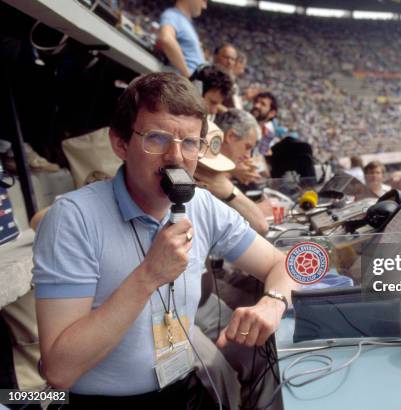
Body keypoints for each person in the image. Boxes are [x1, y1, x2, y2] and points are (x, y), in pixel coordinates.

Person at [32, 72, 294, 406]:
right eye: (156, 138)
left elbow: (282, 263)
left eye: (189, 143)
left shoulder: (201, 205)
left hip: (181, 386)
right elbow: (59, 370)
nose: (176, 157)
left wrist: (273, 302)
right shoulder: (73, 219)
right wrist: (149, 275)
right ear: (121, 144)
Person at [195, 114, 268, 235]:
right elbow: (261, 225)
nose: (248, 156)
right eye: (247, 147)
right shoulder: (208, 180)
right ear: (230, 136)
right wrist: (230, 189)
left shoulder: (231, 173)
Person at [158, 0, 208, 77]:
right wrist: (187, 76)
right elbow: (166, 39)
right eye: (204, 0)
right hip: (185, 81)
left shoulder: (186, 22)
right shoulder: (172, 15)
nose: (205, 6)